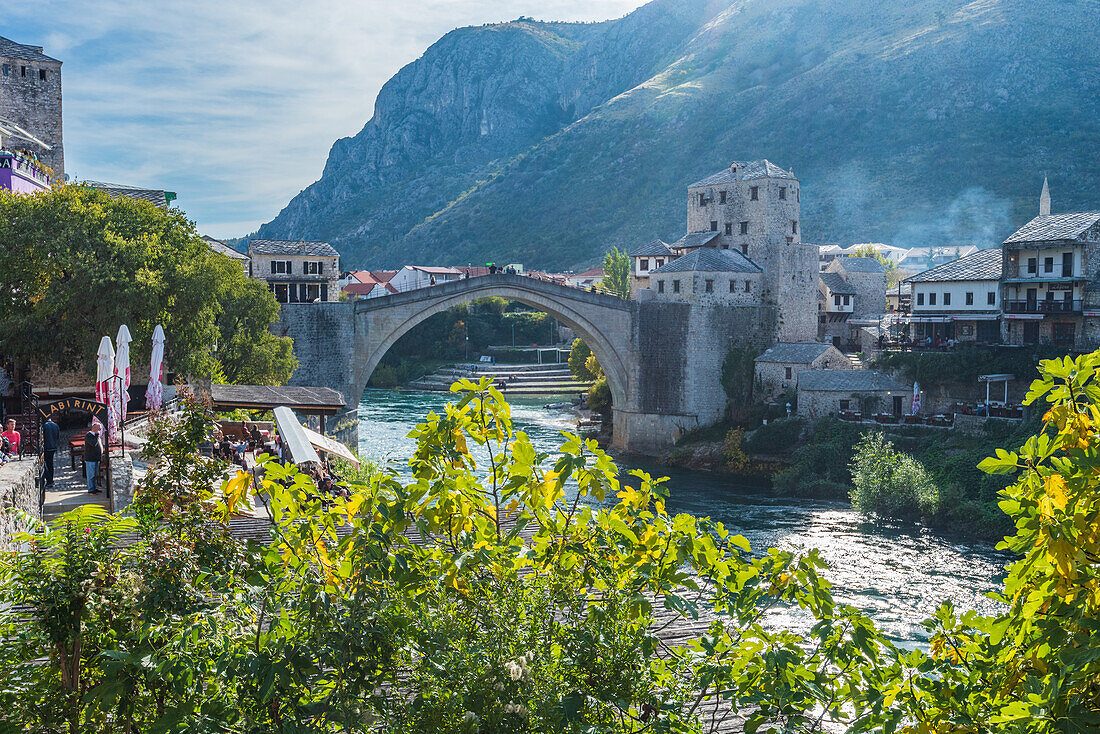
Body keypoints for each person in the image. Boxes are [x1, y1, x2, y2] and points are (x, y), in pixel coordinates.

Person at [84, 422, 103, 495]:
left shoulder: (95, 435)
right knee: (91, 475)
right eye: (99, 428)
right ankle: (91, 489)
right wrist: (97, 435)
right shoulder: (89, 435)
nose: (100, 430)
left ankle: (94, 488)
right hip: (90, 458)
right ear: (95, 428)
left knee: (95, 474)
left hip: (96, 458)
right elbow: (94, 444)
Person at [42, 416, 60, 487]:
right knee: (50, 464)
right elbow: (58, 436)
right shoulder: (55, 425)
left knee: (44, 464)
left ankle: (49, 480)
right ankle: (51, 480)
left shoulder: (44, 426)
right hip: (53, 447)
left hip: (46, 447)